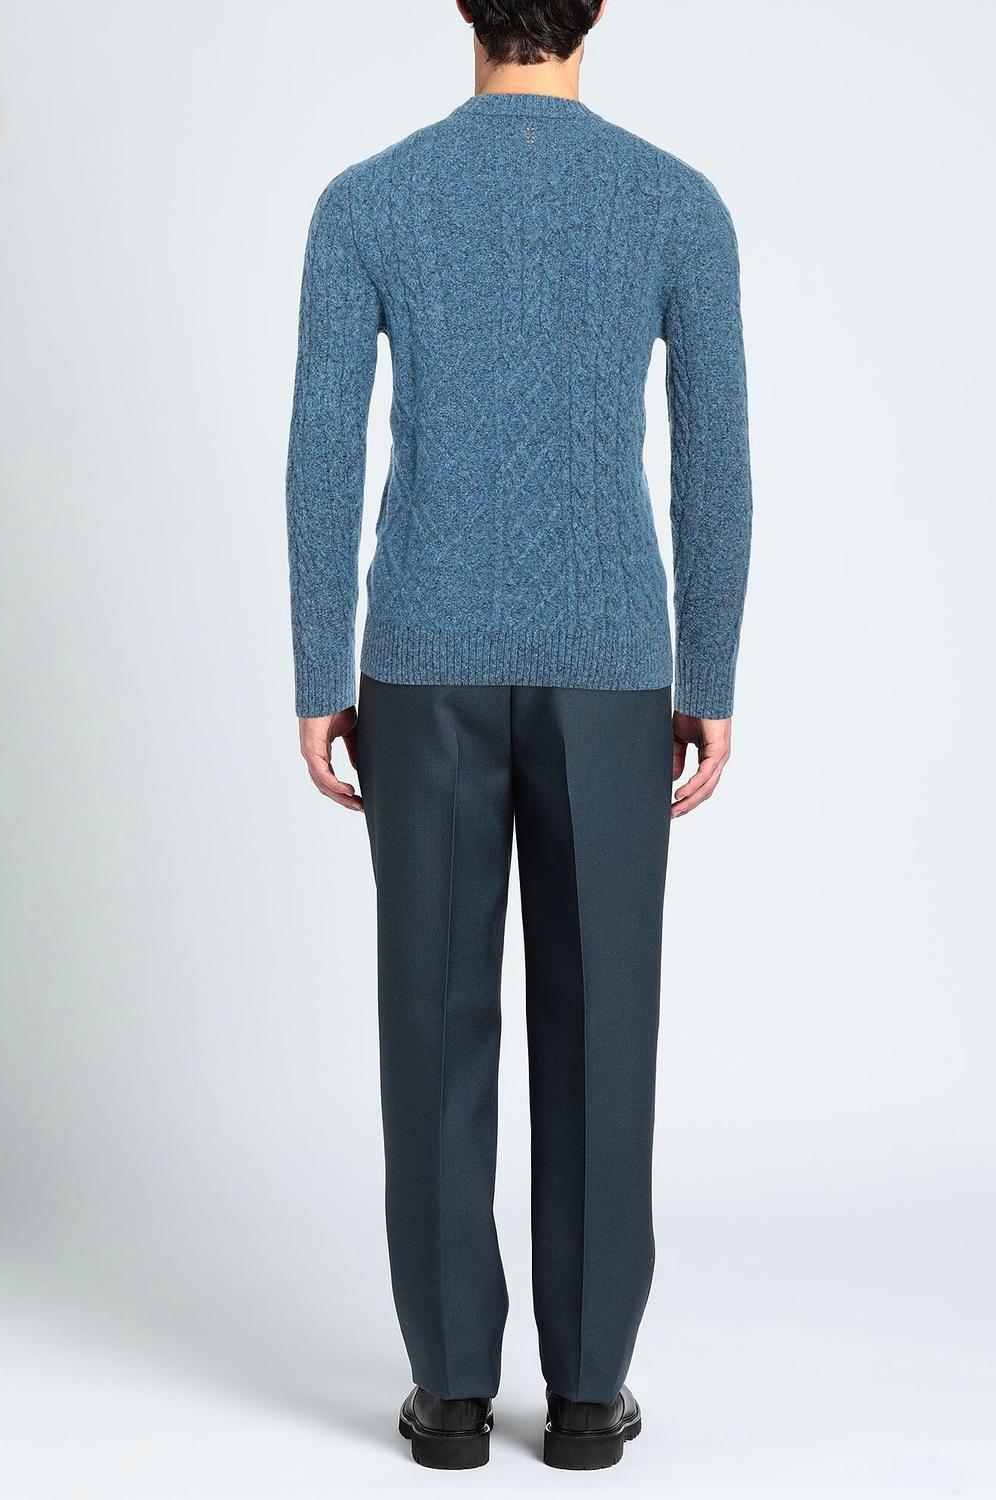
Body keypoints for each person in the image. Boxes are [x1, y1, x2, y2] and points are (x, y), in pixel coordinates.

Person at [286, 0, 751, 1472]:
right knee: (602, 1019)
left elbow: (321, 453)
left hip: (420, 660)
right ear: (595, 8)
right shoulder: (676, 203)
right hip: (612, 663)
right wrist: (708, 669)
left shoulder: (368, 200)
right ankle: (591, 1395)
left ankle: (448, 1396)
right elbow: (715, 461)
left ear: (464, 8)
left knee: (433, 1020)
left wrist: (318, 670)